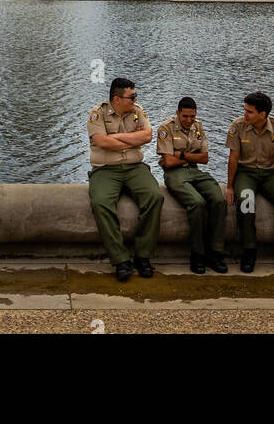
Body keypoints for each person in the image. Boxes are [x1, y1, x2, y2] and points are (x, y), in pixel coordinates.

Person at [86, 77, 165, 282]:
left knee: (155, 197)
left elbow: (147, 137)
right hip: (106, 169)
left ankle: (143, 256)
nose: (136, 99)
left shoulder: (138, 111)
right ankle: (121, 259)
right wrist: (131, 139)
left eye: (135, 95)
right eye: (132, 97)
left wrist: (116, 138)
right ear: (117, 98)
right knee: (101, 203)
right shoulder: (98, 114)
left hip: (134, 167)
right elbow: (101, 142)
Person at [225, 92, 274, 275]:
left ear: (263, 115)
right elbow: (233, 158)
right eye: (245, 110)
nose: (245, 115)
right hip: (246, 172)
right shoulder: (238, 126)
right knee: (246, 202)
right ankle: (249, 251)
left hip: (268, 174)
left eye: (250, 112)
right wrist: (229, 186)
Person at [155, 97, 227, 274]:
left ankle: (215, 252)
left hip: (195, 171)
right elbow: (168, 162)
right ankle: (198, 254)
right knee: (197, 203)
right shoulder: (166, 128)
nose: (189, 120)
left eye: (192, 116)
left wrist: (180, 155)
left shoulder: (198, 127)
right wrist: (189, 155)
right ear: (178, 112)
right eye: (185, 116)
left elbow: (205, 158)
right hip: (174, 174)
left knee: (219, 200)